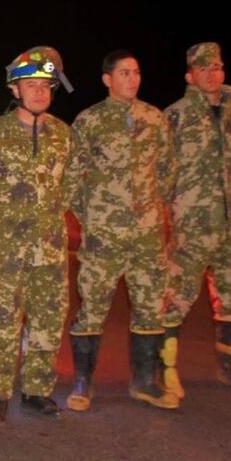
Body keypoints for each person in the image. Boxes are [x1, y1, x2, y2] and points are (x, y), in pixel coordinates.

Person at [0, 46, 74, 425]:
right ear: (14, 90)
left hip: (51, 248)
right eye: (30, 85)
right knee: (5, 321)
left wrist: (51, 216)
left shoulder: (63, 136)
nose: (39, 92)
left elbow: (70, 186)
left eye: (45, 85)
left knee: (49, 319)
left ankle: (38, 391)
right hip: (7, 248)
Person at [66, 50, 178, 412]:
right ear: (107, 80)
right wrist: (92, 218)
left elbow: (167, 170)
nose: (132, 79)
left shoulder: (154, 118)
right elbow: (73, 176)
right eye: (124, 73)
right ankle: (83, 382)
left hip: (146, 235)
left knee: (149, 306)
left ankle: (145, 382)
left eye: (136, 72)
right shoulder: (89, 121)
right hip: (104, 235)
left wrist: (153, 209)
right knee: (93, 306)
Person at [163, 42, 231, 388]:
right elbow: (157, 169)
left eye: (217, 66)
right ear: (190, 75)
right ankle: (165, 371)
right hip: (191, 229)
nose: (212, 73)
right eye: (203, 68)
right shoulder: (175, 116)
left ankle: (229, 367)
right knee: (176, 297)